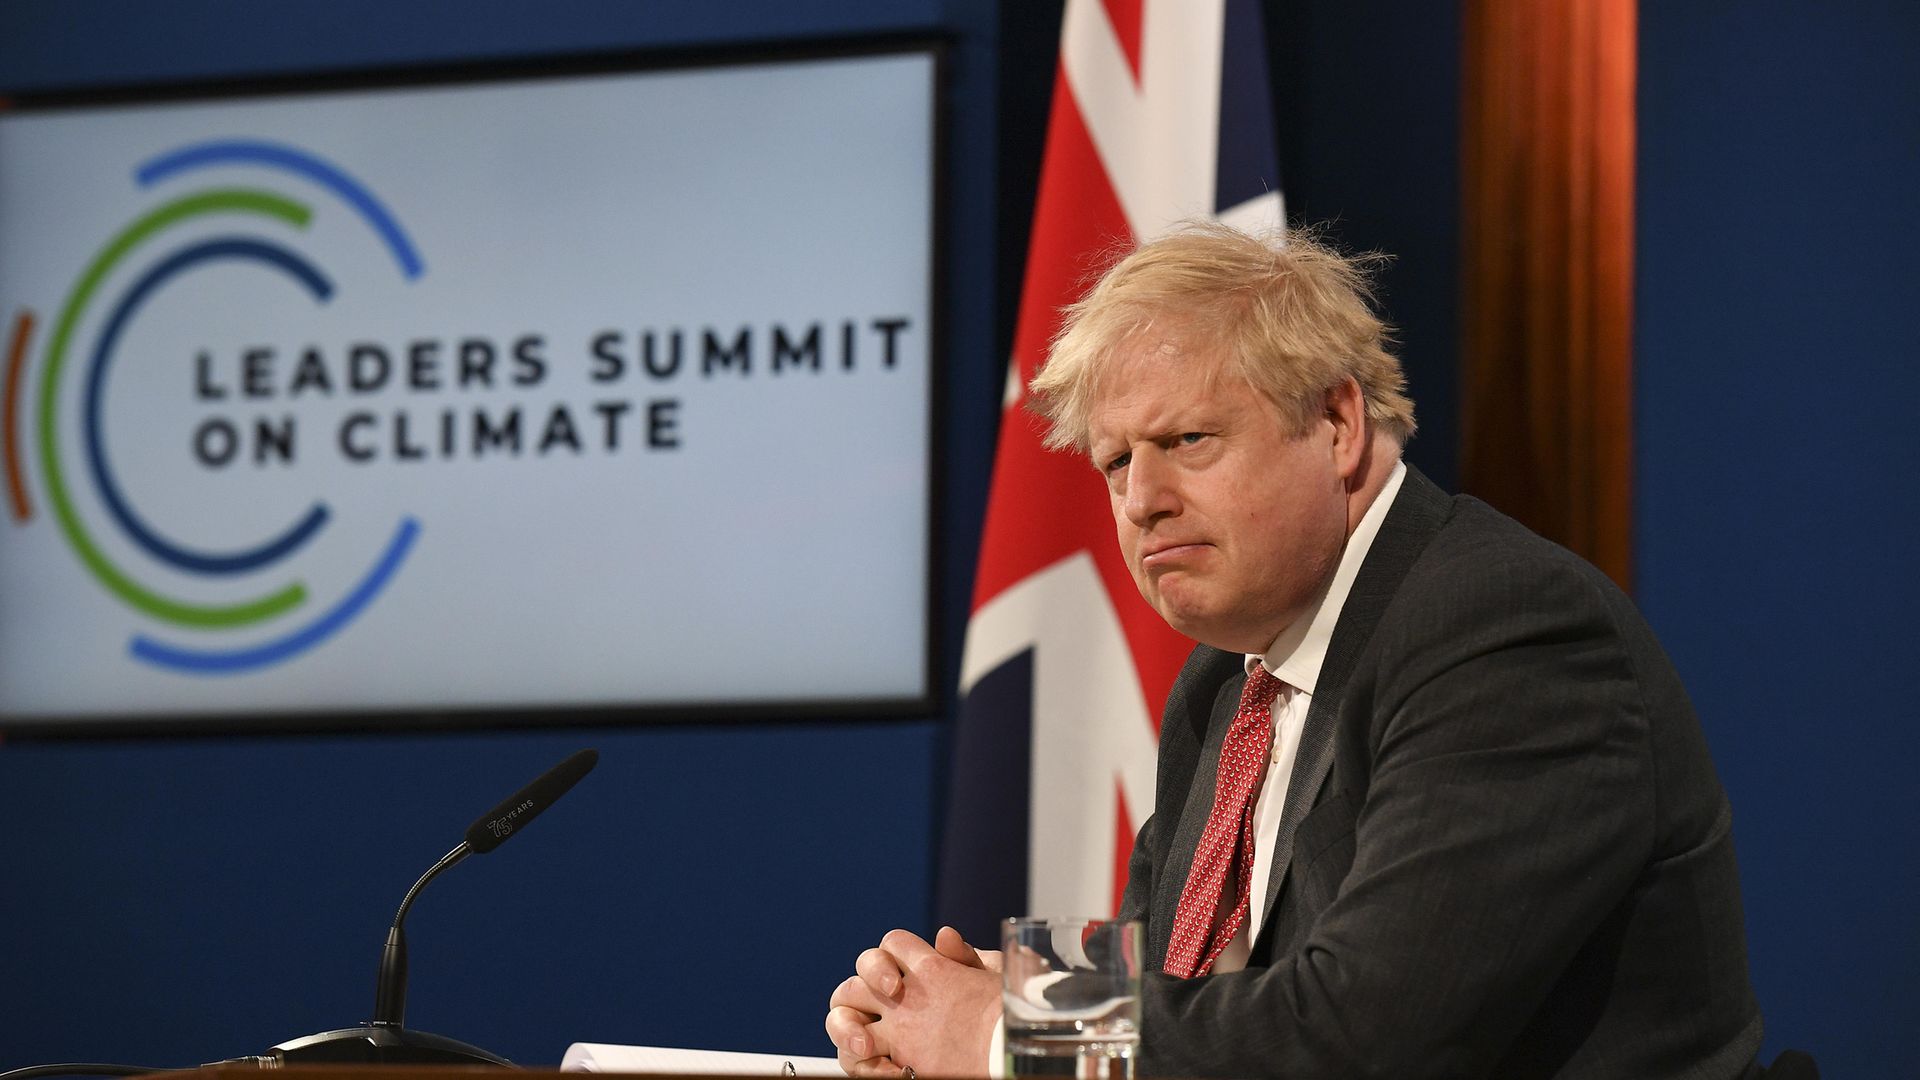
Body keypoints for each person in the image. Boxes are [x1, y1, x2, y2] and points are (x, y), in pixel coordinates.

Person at [825, 222, 1764, 1079]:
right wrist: (953, 1005)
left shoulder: (1502, 632)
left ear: (1339, 425)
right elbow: (1187, 993)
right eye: (1116, 462)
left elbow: (1366, 1034)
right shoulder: (1223, 685)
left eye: (1187, 440)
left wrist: (1010, 1034)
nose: (1140, 498)